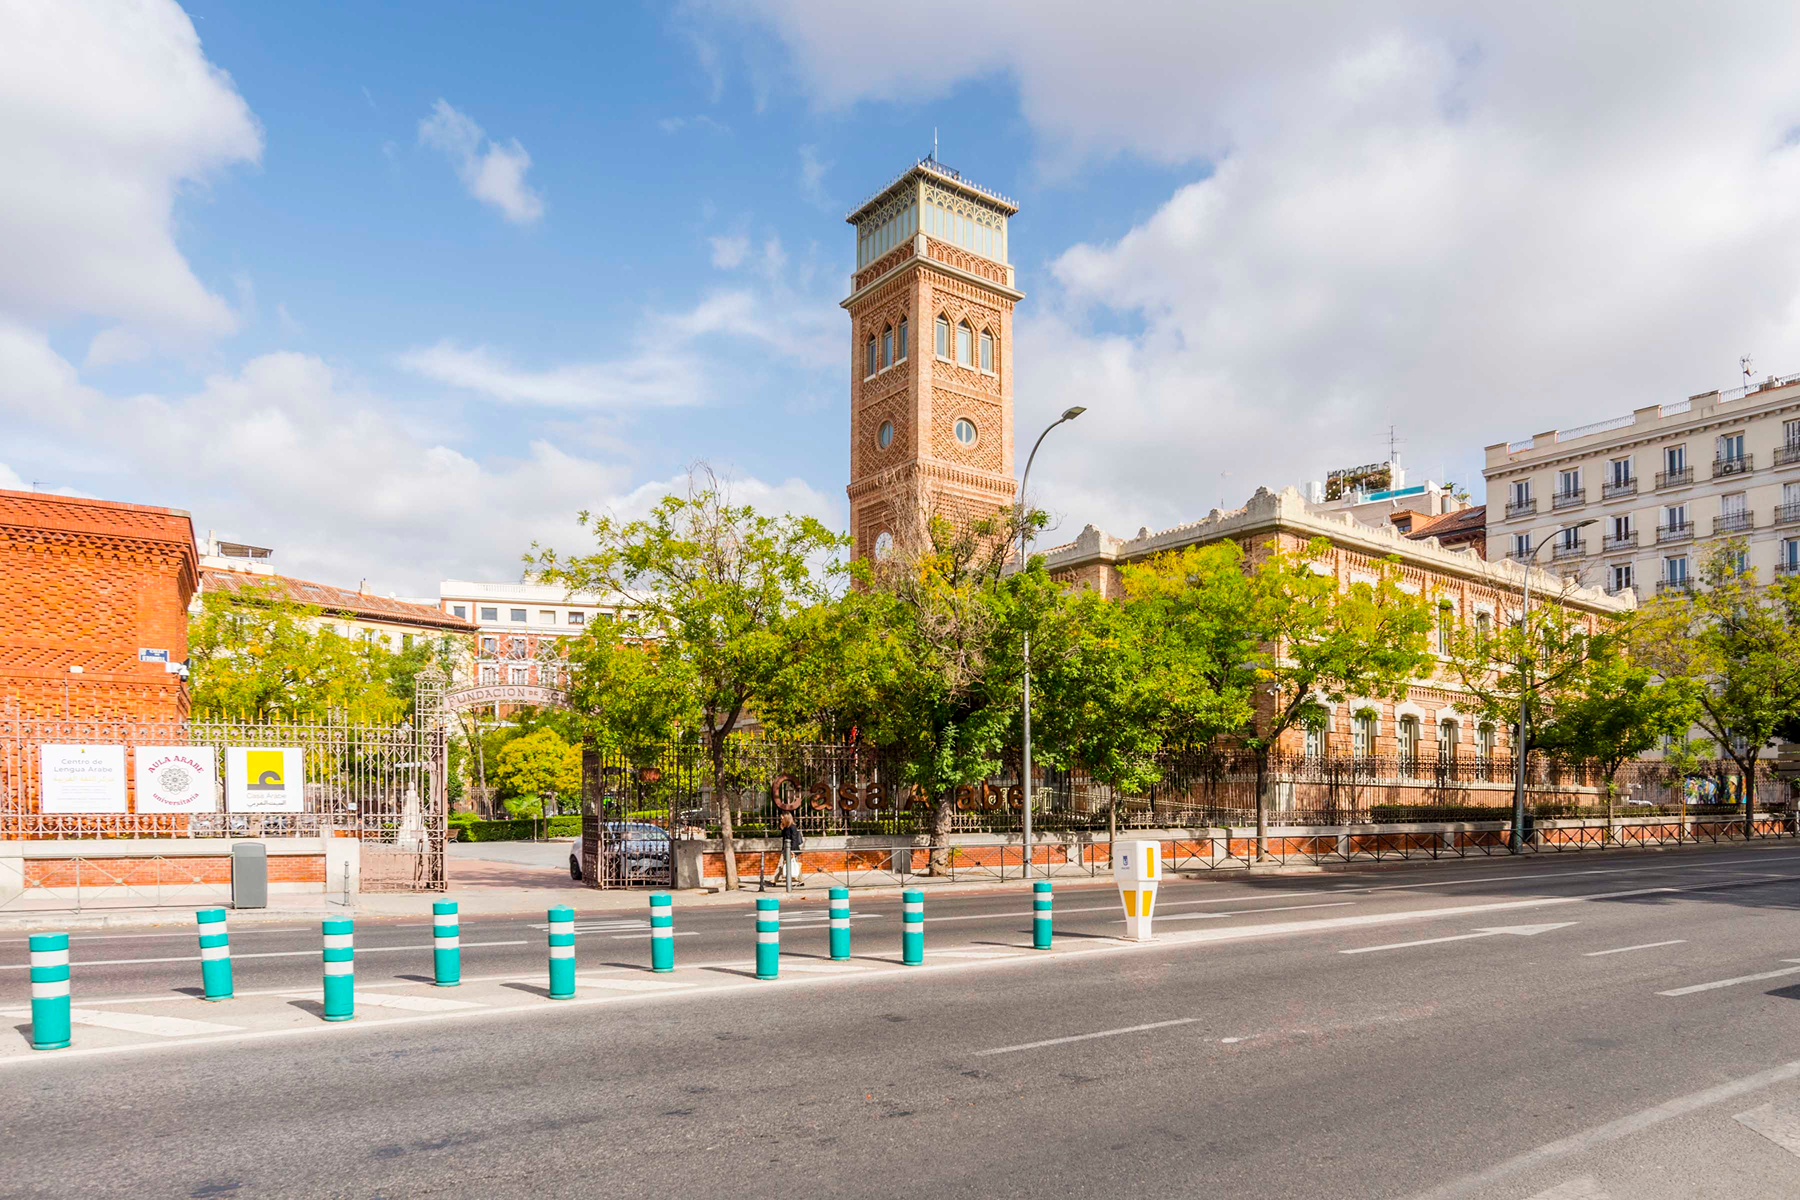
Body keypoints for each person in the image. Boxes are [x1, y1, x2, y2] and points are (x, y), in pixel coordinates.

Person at [775, 811, 805, 885]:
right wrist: (782, 828)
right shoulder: (786, 827)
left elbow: (794, 840)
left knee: (794, 864)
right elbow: (784, 838)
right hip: (785, 848)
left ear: (786, 818)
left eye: (782, 818)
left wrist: (792, 851)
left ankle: (774, 880)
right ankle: (801, 881)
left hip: (791, 849)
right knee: (782, 864)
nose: (781, 820)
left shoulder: (793, 827)